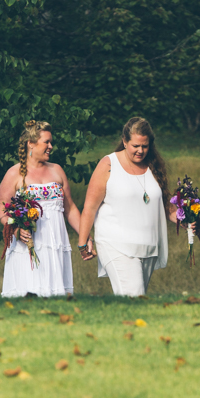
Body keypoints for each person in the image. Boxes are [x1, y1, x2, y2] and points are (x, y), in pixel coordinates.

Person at [77, 116, 177, 297]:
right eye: (135, 146)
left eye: (145, 146)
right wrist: (83, 242)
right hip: (116, 244)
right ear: (124, 141)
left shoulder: (153, 166)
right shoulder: (109, 164)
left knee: (136, 298)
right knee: (134, 296)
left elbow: (162, 202)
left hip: (148, 246)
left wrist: (184, 218)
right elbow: (90, 207)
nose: (140, 151)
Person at [0, 120, 83, 298]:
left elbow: (71, 208)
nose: (51, 146)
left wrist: (85, 236)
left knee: (56, 296)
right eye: (47, 142)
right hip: (28, 243)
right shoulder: (14, 173)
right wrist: (14, 228)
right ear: (31, 143)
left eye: (51, 142)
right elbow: (1, 207)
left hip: (55, 242)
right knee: (28, 293)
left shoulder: (57, 170)